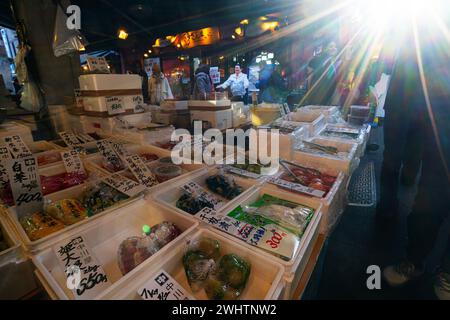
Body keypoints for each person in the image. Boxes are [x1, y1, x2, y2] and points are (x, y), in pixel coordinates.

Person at [379, 13, 450, 300]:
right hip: (439, 119)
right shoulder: (418, 22)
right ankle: (415, 260)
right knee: (429, 197)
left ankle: (447, 273)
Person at [304, 41, 340, 105]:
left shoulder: (332, 60)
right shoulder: (317, 60)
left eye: (335, 46)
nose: (334, 48)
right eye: (331, 46)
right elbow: (309, 78)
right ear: (325, 48)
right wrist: (308, 95)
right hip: (318, 97)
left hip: (328, 96)